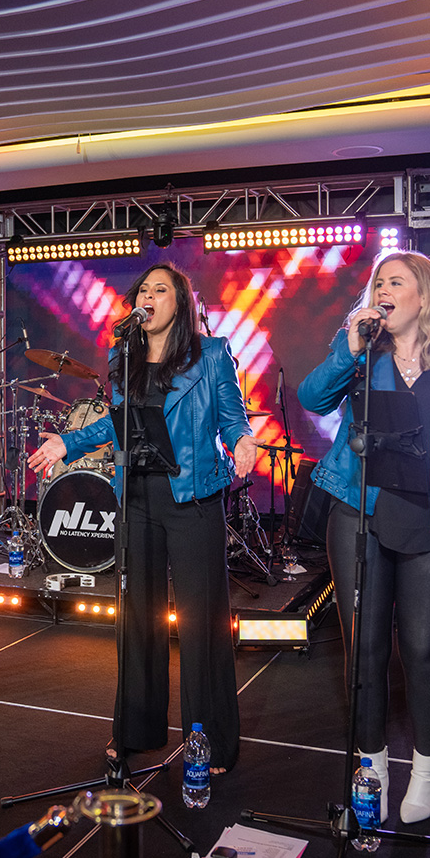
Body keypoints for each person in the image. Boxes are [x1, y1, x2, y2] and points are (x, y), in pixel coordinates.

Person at [29, 263, 257, 772]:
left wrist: (242, 441)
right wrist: (68, 440)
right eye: (144, 290)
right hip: (135, 495)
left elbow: (232, 413)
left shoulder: (212, 354)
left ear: (181, 303)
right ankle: (137, 729)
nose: (149, 296)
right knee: (138, 619)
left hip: (193, 496)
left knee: (201, 623)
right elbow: (115, 421)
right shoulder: (123, 353)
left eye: (161, 289)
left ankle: (210, 740)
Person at [297, 251, 430, 824]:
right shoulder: (363, 352)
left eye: (397, 281)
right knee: (364, 651)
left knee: (422, 652)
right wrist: (348, 347)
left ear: (425, 296)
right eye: (379, 283)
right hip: (359, 515)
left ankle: (426, 770)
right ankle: (370, 768)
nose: (384, 289)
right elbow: (313, 399)